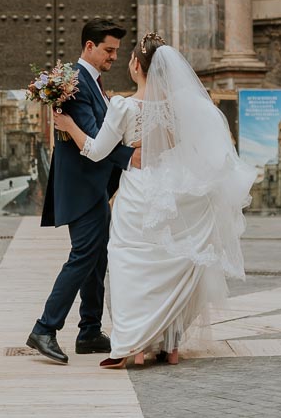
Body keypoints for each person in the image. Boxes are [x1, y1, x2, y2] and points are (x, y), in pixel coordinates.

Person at [54, 33, 256, 368]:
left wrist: (69, 125)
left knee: (129, 266)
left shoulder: (123, 105)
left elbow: (94, 151)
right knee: (170, 264)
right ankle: (170, 346)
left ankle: (131, 346)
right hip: (172, 191)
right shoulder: (180, 108)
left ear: (135, 65)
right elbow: (185, 147)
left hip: (138, 195)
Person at [26, 19, 140, 364]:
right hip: (82, 186)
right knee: (83, 257)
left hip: (93, 186)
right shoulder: (75, 82)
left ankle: (90, 331)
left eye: (117, 51)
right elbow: (93, 141)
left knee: (96, 258)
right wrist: (134, 156)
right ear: (89, 47)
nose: (114, 57)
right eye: (108, 50)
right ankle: (45, 328)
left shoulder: (91, 82)